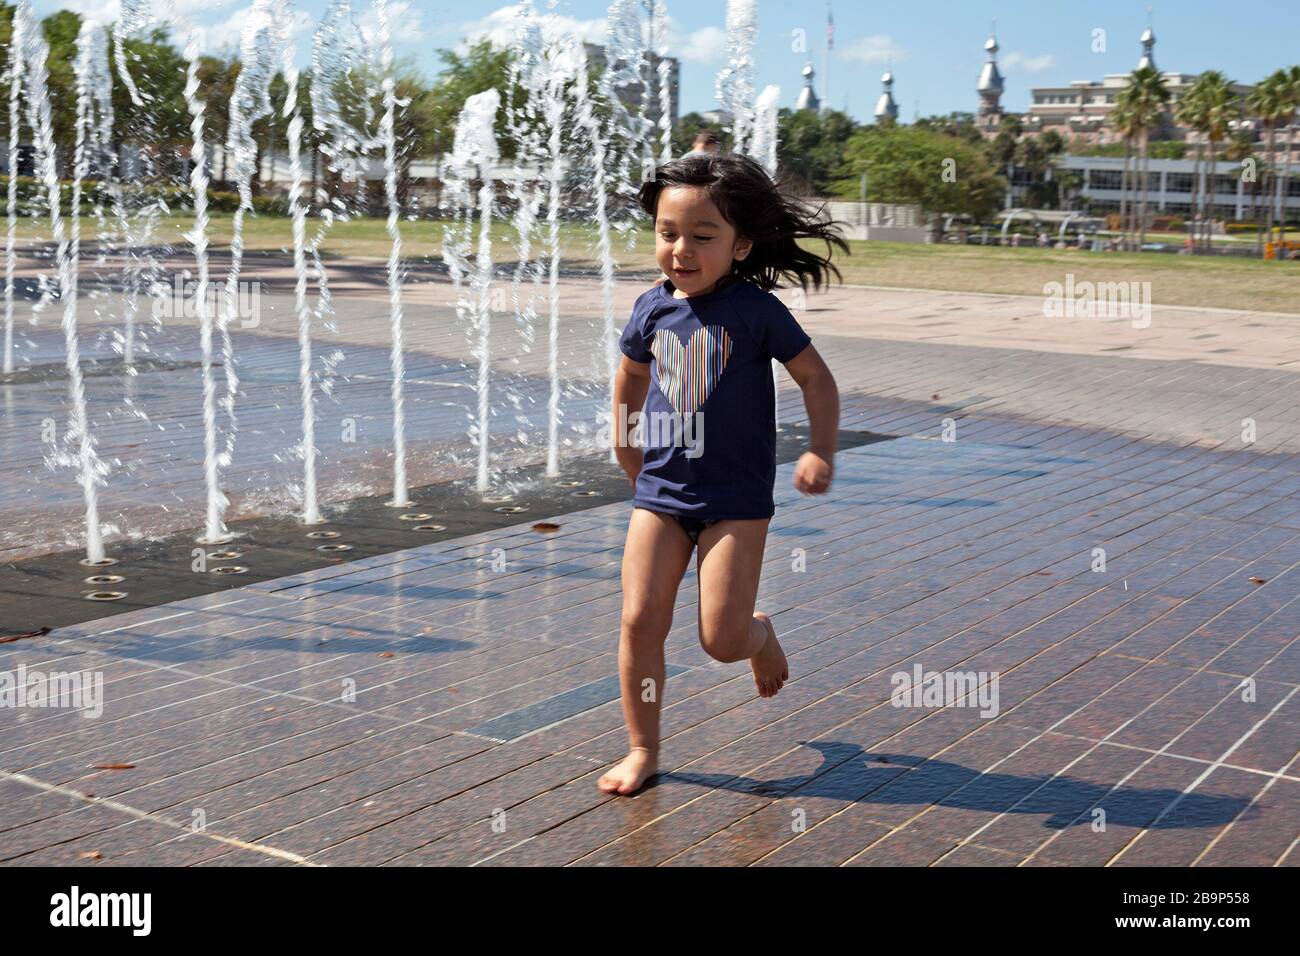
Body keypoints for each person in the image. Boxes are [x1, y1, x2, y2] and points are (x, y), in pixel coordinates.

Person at [598, 154, 844, 795]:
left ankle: (760, 636)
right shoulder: (651, 308)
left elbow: (815, 377)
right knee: (639, 620)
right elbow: (630, 375)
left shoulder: (757, 311)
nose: (680, 249)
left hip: (736, 498)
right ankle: (643, 748)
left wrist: (820, 450)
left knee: (720, 639)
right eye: (666, 232)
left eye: (702, 237)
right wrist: (628, 445)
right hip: (661, 493)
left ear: (741, 245)